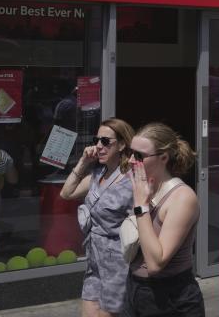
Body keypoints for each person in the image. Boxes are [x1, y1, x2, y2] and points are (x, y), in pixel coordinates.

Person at [124, 122, 204, 317]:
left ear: (164, 157)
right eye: (130, 152)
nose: (131, 160)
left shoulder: (183, 197)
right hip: (135, 289)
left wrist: (141, 207)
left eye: (140, 156)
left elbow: (155, 264)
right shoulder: (143, 188)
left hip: (171, 298)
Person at [61, 118, 135, 317]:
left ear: (121, 144)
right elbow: (66, 194)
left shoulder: (132, 180)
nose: (99, 146)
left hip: (117, 262)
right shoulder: (97, 175)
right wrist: (84, 162)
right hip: (94, 258)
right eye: (97, 140)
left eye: (105, 141)